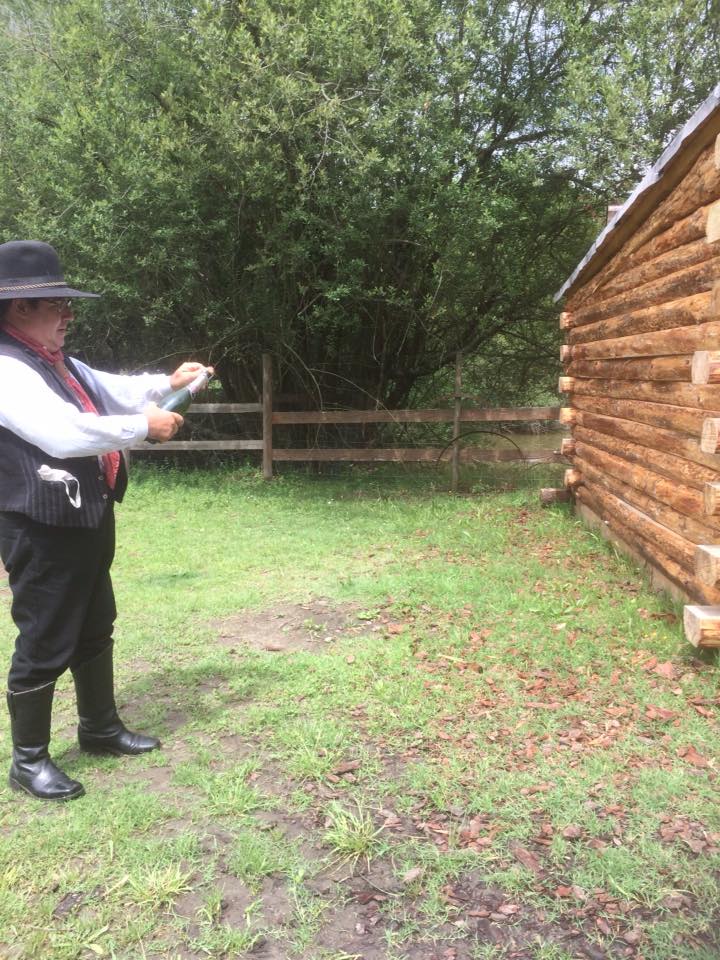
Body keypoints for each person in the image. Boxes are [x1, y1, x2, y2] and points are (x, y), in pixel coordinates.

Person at [0, 239, 209, 801]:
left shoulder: (55, 360)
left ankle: (98, 728)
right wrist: (144, 426)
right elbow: (63, 432)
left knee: (96, 622)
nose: (69, 314)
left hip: (85, 514)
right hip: (37, 524)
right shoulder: (5, 367)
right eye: (58, 304)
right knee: (44, 635)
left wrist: (168, 383)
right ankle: (29, 761)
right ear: (21, 309)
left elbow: (110, 389)